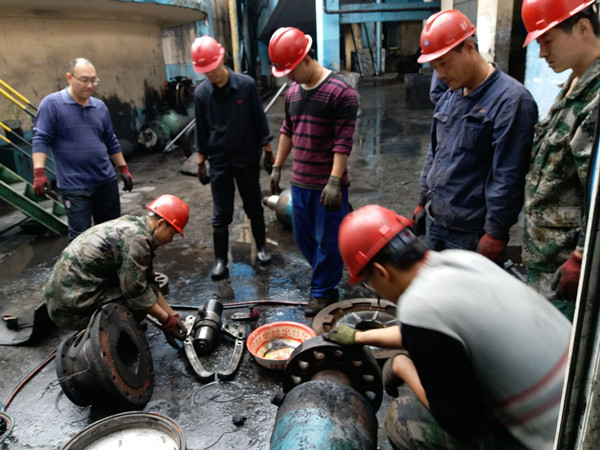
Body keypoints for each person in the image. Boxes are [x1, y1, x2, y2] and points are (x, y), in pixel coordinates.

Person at [325, 204, 571, 449]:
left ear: (380, 271)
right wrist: (361, 337)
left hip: (555, 439)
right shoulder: (463, 261)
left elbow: (459, 422)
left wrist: (402, 367)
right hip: (578, 396)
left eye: (368, 282)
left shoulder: (419, 305)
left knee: (405, 418)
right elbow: (439, 329)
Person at [412, 10, 538, 264]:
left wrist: (496, 231)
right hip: (436, 222)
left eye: (444, 63)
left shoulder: (511, 101)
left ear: (469, 48)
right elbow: (434, 153)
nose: (440, 74)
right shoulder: (450, 96)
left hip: (471, 234)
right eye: (434, 67)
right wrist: (422, 200)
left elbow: (508, 174)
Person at [268, 27, 359, 316]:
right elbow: (287, 130)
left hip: (326, 185)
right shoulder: (293, 93)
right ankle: (325, 278)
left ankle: (322, 291)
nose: (289, 78)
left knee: (328, 241)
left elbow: (343, 140)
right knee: (303, 237)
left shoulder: (341, 93)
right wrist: (277, 166)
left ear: (307, 58)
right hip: (300, 183)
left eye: (292, 71)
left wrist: (334, 181)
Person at [521, 0, 600, 310]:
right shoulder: (574, 83)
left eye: (548, 41)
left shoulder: (595, 99)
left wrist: (580, 257)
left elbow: (596, 192)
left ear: (583, 27)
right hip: (545, 261)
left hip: (566, 271)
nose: (542, 53)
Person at [44, 194, 189, 348]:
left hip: (65, 296)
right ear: (161, 224)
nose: (170, 240)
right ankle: (116, 335)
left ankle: (120, 324)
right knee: (138, 307)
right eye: (172, 233)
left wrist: (172, 316)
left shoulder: (134, 226)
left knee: (147, 294)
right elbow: (137, 295)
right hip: (69, 310)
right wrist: (166, 321)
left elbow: (148, 280)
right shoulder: (136, 241)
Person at [190, 35, 274, 280]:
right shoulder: (201, 94)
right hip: (219, 161)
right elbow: (201, 129)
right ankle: (220, 260)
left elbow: (259, 119)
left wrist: (268, 151)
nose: (210, 74)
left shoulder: (246, 85)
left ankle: (261, 248)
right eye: (205, 71)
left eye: (212, 68)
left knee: (253, 205)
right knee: (221, 212)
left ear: (222, 58)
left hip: (247, 158)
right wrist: (200, 161)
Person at [32, 57, 133, 242]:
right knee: (81, 240)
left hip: (105, 182)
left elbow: (110, 140)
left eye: (94, 80)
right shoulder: (51, 104)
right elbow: (41, 138)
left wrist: (123, 168)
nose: (90, 85)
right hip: (74, 187)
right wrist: (39, 172)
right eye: (84, 80)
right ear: (69, 78)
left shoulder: (100, 107)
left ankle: (109, 262)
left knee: (111, 234)